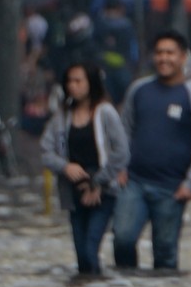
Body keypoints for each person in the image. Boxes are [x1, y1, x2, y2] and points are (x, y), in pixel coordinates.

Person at [112, 30, 191, 272]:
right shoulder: (139, 90)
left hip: (172, 187)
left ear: (183, 57)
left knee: (165, 252)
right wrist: (119, 167)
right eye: (159, 53)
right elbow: (123, 130)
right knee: (122, 238)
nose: (164, 58)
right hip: (134, 181)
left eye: (170, 53)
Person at [39, 62, 129, 275]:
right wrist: (64, 167)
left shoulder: (105, 112)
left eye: (79, 81)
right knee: (81, 256)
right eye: (70, 81)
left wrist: (98, 181)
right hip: (73, 190)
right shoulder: (62, 117)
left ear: (91, 82)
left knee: (90, 250)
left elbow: (121, 153)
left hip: (102, 190)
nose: (73, 86)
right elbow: (46, 150)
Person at [93, 0, 138, 105]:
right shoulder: (126, 26)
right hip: (120, 68)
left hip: (106, 68)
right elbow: (134, 50)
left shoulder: (98, 24)